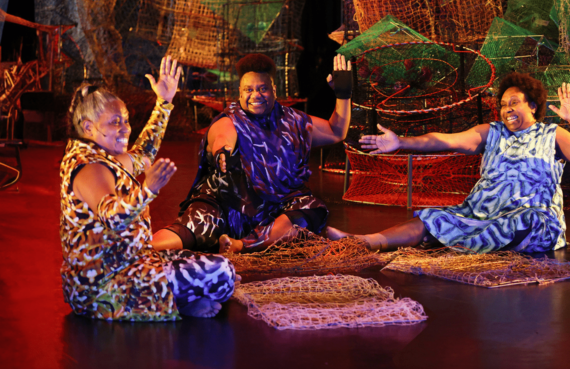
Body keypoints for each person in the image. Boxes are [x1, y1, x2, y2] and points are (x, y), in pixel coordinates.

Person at [327, 72, 570, 253]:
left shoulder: (552, 134)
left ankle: (460, 241)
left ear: (533, 106)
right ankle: (365, 241)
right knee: (432, 216)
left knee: (526, 220)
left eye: (515, 102)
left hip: (531, 219)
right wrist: (402, 142)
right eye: (504, 104)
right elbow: (445, 140)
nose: (507, 109)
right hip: (481, 213)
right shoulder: (492, 132)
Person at [60, 56, 236, 320]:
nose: (125, 128)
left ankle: (178, 298)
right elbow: (112, 217)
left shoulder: (102, 156)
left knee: (201, 259)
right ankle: (174, 305)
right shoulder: (88, 168)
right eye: (115, 122)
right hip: (103, 287)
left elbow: (143, 153)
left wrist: (164, 103)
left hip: (129, 264)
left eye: (126, 120)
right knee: (222, 273)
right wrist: (147, 190)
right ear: (88, 127)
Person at [152, 53, 352, 254]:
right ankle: (139, 247)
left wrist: (343, 96)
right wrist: (223, 152)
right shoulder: (230, 119)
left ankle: (240, 245)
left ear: (274, 90)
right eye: (249, 89)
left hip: (272, 213)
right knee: (191, 228)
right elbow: (222, 136)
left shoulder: (293, 120)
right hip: (226, 208)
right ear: (239, 92)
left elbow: (336, 131)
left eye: (262, 89)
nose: (255, 95)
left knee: (311, 209)